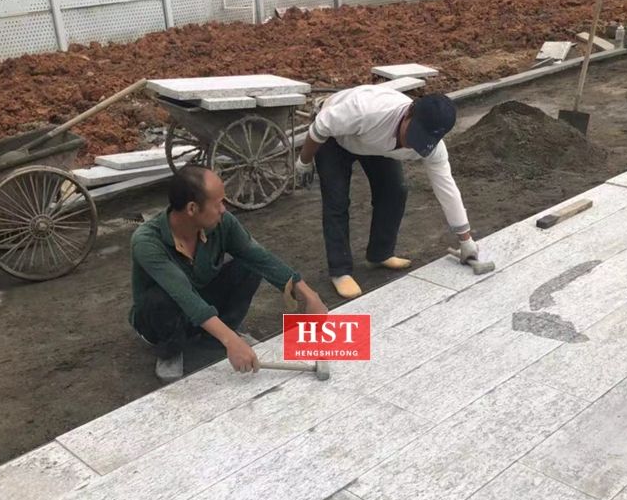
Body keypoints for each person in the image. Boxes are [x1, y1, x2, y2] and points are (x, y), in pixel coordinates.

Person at [130, 165, 327, 382]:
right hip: (161, 314)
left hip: (199, 299)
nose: (223, 209)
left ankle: (215, 336)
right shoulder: (147, 242)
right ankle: (170, 350)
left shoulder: (222, 223)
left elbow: (259, 257)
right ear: (192, 208)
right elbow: (185, 296)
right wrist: (231, 341)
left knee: (247, 266)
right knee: (161, 299)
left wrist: (309, 295)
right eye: (217, 204)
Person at [295, 85, 478, 299]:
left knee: (395, 191)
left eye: (422, 142)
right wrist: (304, 162)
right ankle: (340, 271)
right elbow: (318, 129)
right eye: (414, 134)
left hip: (375, 144)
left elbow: (447, 189)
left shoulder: (433, 149)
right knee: (337, 201)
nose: (411, 144)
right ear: (408, 113)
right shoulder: (365, 111)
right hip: (336, 139)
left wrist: (466, 240)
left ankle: (380, 254)